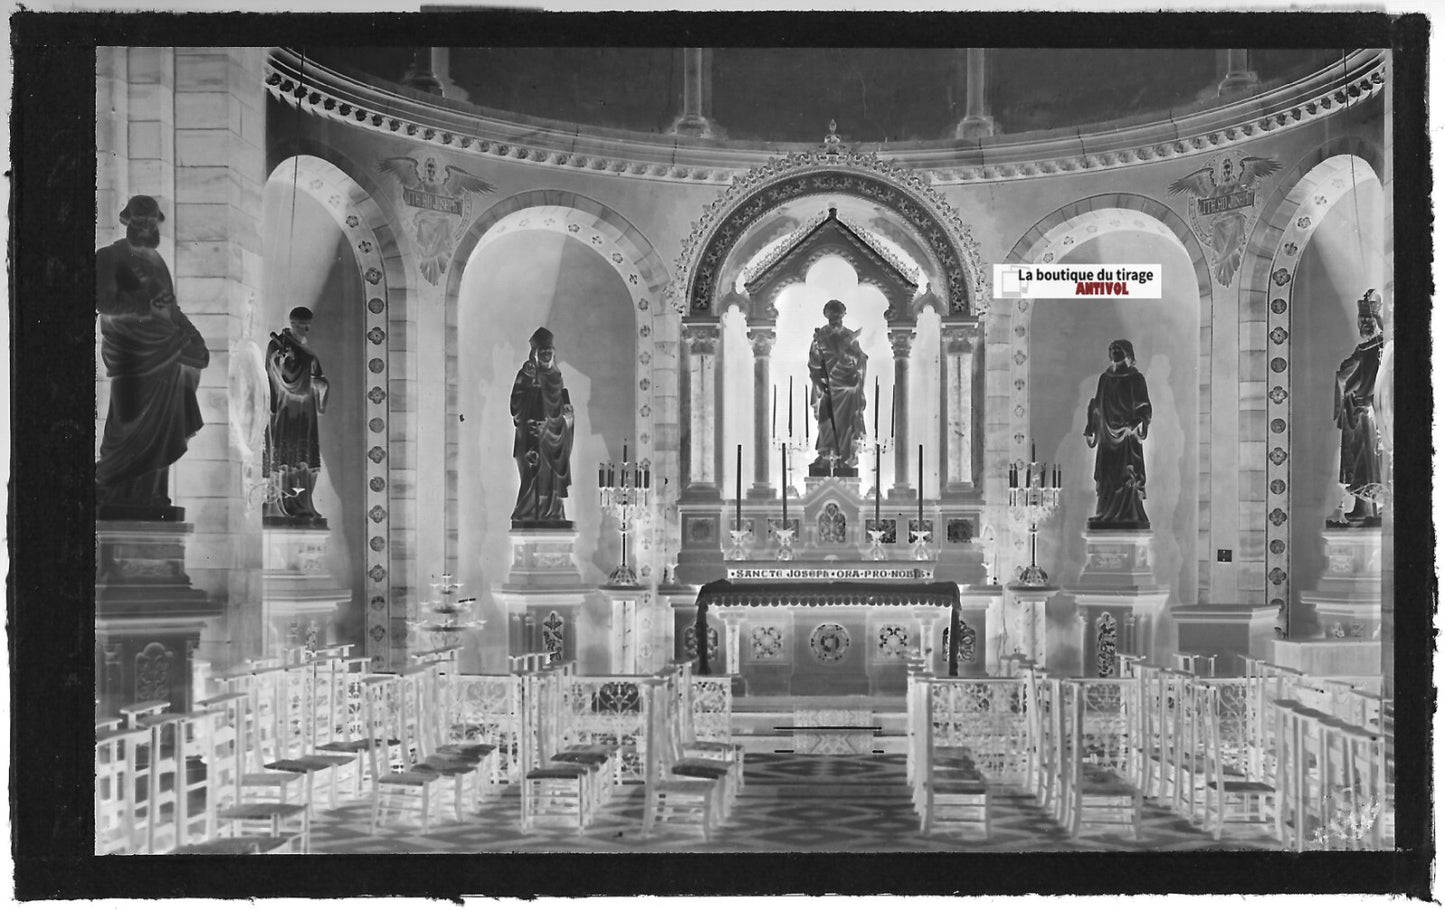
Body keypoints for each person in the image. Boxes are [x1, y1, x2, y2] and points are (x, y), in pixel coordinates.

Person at [95, 195, 210, 521]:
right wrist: (143, 302)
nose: (146, 227)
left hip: (166, 354)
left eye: (151, 222)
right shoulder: (110, 256)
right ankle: (112, 490)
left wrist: (192, 334)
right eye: (139, 222)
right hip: (133, 357)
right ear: (126, 221)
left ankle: (152, 496)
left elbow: (169, 308)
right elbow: (103, 300)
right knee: (127, 426)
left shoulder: (158, 261)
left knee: (164, 430)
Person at [264, 306, 329, 526]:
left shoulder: (306, 351)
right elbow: (286, 379)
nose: (307, 328)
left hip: (306, 412)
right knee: (291, 458)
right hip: (288, 412)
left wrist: (322, 384)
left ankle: (306, 502)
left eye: (309, 323)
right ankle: (292, 504)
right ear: (292, 323)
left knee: (306, 460)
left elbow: (315, 377)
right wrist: (311, 381)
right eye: (303, 324)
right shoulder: (278, 346)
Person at [1084, 339, 1152, 529]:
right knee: (1107, 476)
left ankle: (1129, 515)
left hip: (1127, 438)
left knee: (1125, 476)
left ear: (1127, 353)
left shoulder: (1135, 379)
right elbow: (1097, 407)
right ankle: (1105, 513)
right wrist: (1091, 426)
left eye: (1118, 348)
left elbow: (1144, 407)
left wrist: (1137, 420)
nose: (1114, 351)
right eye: (1112, 348)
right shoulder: (1104, 379)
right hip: (1107, 437)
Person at [510, 327, 575, 525]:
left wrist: (569, 420)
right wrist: (530, 386)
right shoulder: (527, 373)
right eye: (542, 350)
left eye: (549, 350)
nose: (546, 353)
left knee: (552, 478)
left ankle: (554, 513)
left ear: (553, 352)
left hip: (554, 437)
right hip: (533, 436)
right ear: (535, 353)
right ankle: (529, 512)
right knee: (533, 476)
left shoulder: (557, 377)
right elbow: (515, 405)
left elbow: (560, 408)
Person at [1332, 290, 1386, 527]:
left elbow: (1386, 381)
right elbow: (1345, 373)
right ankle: (1362, 506)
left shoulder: (1383, 347)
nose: (1364, 323)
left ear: (1376, 321)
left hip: (1372, 413)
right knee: (1357, 461)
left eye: (1368, 319)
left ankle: (1373, 507)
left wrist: (1373, 402)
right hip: (1355, 411)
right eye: (1361, 319)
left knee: (1368, 460)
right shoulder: (1363, 348)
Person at [808, 299, 868, 476]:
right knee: (826, 424)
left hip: (848, 388)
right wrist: (819, 381)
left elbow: (861, 361)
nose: (835, 320)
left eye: (838, 316)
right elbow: (813, 364)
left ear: (843, 316)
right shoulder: (819, 338)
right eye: (832, 316)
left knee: (847, 426)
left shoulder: (850, 337)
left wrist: (854, 357)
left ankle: (845, 459)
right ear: (826, 316)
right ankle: (826, 456)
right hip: (829, 388)